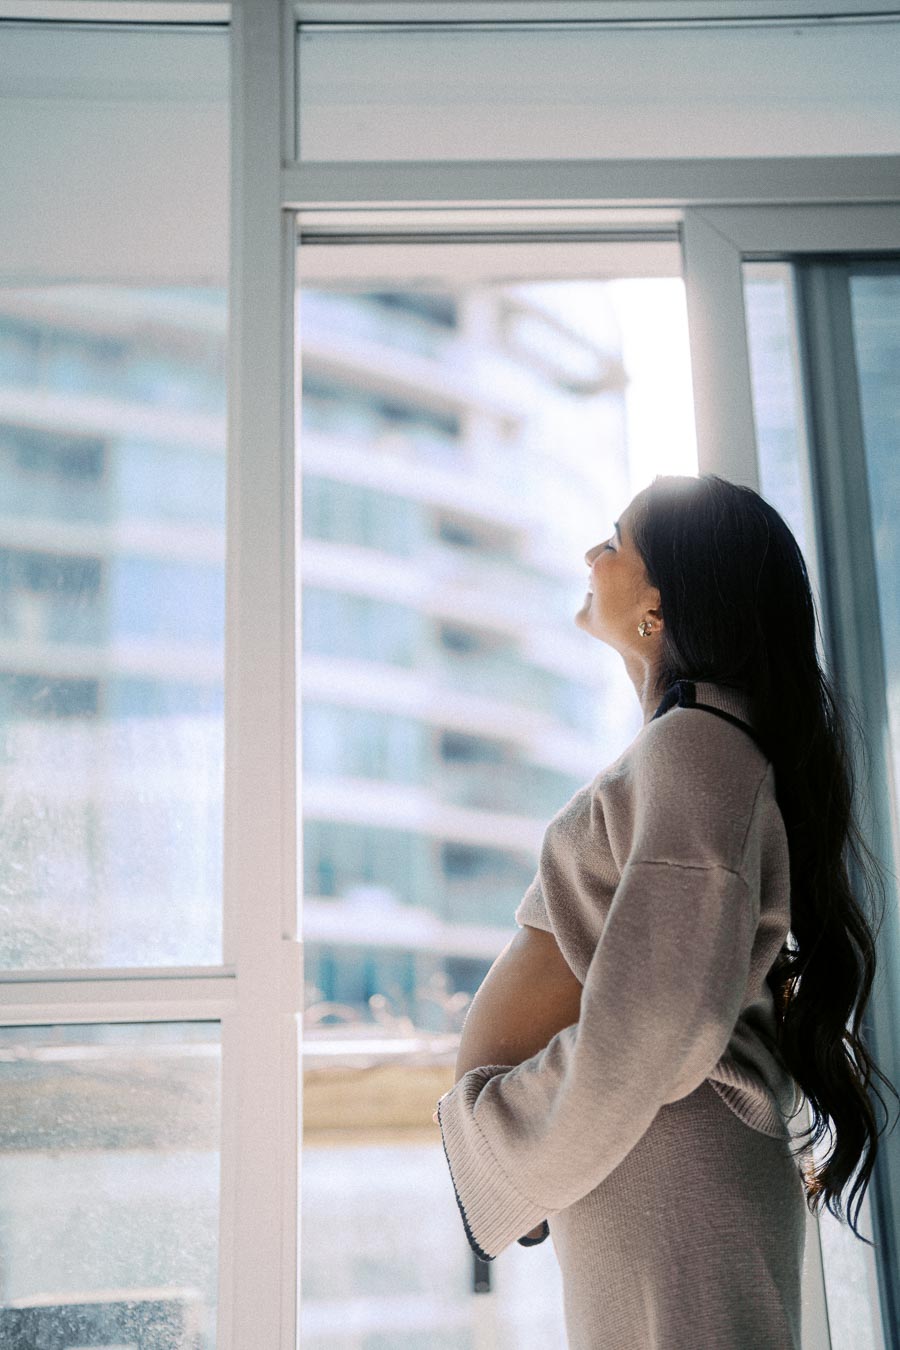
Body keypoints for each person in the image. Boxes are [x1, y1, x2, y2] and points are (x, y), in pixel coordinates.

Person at [432, 473, 898, 1350]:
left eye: (615, 539)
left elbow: (661, 1021)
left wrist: (505, 1146)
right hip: (646, 1169)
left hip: (665, 1170)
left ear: (660, 600)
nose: (591, 556)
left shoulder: (698, 749)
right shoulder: (690, 746)